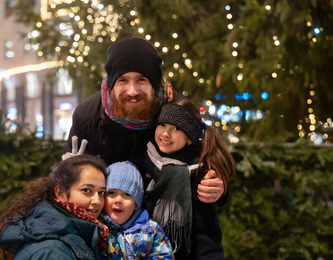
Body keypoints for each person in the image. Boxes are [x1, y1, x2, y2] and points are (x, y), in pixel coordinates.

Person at [65, 37, 224, 204]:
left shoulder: (178, 110)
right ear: (112, 84)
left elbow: (205, 166)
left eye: (142, 80)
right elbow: (74, 183)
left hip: (163, 215)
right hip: (108, 213)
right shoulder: (87, 117)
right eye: (123, 80)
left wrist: (216, 189)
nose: (132, 91)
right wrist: (70, 174)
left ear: (154, 86)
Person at [134, 99, 236, 260]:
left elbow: (207, 235)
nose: (166, 133)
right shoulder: (141, 161)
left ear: (190, 138)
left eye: (176, 128)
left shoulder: (198, 175)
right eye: (162, 125)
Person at [0, 155, 109, 260]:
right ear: (60, 193)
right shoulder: (53, 251)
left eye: (101, 193)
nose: (97, 201)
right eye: (86, 190)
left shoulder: (66, 233)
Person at [101, 161, 174, 260]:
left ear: (136, 203)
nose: (118, 200)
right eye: (111, 192)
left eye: (127, 194)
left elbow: (164, 256)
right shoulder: (98, 228)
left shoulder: (151, 229)